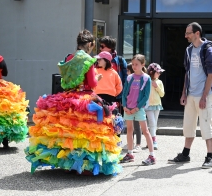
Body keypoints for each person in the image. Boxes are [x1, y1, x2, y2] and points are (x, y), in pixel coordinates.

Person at [25, 30, 122, 176]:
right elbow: (91, 83)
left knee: (64, 129)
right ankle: (84, 163)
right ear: (89, 44)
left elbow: (64, 80)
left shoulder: (69, 58)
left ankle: (64, 160)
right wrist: (98, 78)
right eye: (92, 45)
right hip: (84, 97)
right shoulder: (88, 60)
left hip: (67, 97)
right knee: (87, 132)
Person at [168, 22, 212, 169]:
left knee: (205, 126)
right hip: (190, 94)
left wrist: (204, 96)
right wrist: (184, 93)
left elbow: (211, 74)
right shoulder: (189, 50)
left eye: (188, 33)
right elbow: (187, 73)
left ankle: (210, 157)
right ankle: (185, 154)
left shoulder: (207, 49)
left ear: (197, 33)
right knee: (188, 126)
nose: (186, 35)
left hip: (204, 95)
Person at [120, 54, 156, 166]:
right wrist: (125, 106)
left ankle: (152, 156)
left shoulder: (146, 78)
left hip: (138, 109)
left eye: (137, 64)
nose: (134, 66)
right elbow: (124, 93)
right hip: (128, 108)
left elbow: (146, 96)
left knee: (145, 131)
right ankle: (130, 154)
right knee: (129, 130)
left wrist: (136, 108)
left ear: (142, 65)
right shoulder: (130, 78)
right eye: (133, 64)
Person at [98, 36, 127, 113]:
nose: (100, 48)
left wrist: (120, 92)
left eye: (102, 46)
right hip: (99, 94)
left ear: (110, 47)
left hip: (116, 95)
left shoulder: (120, 60)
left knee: (114, 117)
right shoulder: (97, 60)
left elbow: (125, 77)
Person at [145, 63, 165, 150]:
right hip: (148, 105)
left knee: (154, 123)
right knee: (152, 123)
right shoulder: (146, 81)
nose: (159, 74)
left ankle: (150, 140)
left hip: (157, 105)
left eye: (160, 72)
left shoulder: (159, 82)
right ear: (152, 72)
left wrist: (156, 87)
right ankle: (154, 141)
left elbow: (162, 94)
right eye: (158, 72)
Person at [127, 63, 142, 153]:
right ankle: (131, 144)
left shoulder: (139, 80)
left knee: (137, 126)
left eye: (128, 70)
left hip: (136, 107)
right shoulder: (128, 80)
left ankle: (138, 144)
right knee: (130, 127)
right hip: (129, 106)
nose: (127, 72)